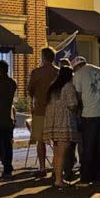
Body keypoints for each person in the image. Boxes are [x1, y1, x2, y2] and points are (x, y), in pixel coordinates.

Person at [73, 56, 100, 185]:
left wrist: (79, 110)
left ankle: (86, 177)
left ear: (76, 66)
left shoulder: (78, 74)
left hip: (89, 114)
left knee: (88, 146)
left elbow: (78, 96)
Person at [43, 66, 80, 189]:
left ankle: (57, 178)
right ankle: (59, 180)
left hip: (53, 123)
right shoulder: (68, 86)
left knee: (57, 152)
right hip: (64, 122)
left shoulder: (53, 87)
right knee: (62, 153)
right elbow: (72, 104)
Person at [27, 47, 59, 177]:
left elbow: (30, 90)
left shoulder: (36, 72)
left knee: (40, 140)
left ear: (43, 57)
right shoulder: (58, 72)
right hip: (56, 110)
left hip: (40, 109)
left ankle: (42, 168)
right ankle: (57, 166)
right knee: (57, 140)